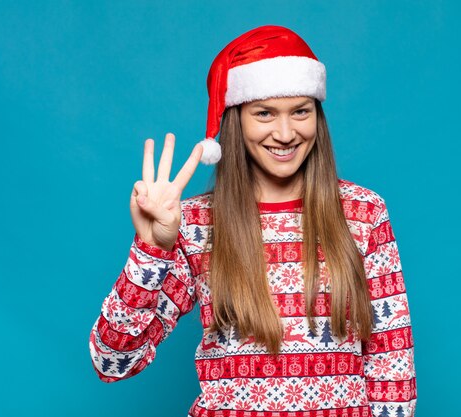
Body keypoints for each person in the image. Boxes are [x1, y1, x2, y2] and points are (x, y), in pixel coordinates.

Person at [89, 25, 417, 417]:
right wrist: (151, 250)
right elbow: (113, 361)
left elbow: (392, 368)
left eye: (301, 111)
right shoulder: (196, 224)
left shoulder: (363, 213)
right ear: (236, 121)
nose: (284, 133)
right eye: (264, 113)